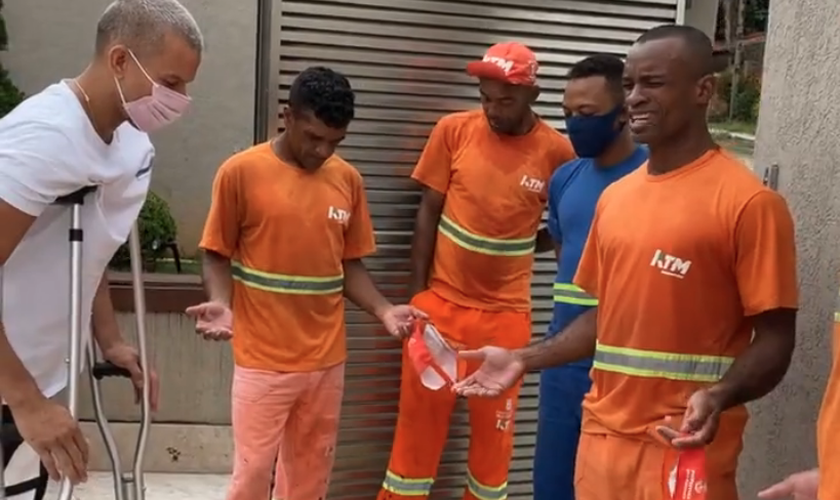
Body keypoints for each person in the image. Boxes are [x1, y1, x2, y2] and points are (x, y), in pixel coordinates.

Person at [454, 24, 798, 500]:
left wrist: (720, 395)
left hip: (681, 445)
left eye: (653, 83)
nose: (635, 97)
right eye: (631, 83)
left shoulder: (749, 204)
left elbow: (777, 338)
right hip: (601, 444)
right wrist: (521, 358)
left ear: (703, 91)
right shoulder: (615, 199)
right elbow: (605, 316)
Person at [186, 66, 426, 500]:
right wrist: (221, 302)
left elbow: (348, 264)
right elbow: (216, 253)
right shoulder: (240, 173)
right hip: (262, 361)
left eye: (335, 142)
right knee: (252, 475)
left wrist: (384, 309)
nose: (322, 151)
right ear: (287, 117)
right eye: (313, 137)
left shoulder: (347, 179)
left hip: (326, 363)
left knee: (310, 477)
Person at [0, 0, 201, 497]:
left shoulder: (131, 144)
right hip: (15, 387)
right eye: (170, 83)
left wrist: (109, 339)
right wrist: (25, 402)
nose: (179, 100)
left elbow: (90, 248)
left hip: (37, 376)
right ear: (119, 61)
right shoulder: (43, 138)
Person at [377, 42, 576, 500]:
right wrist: (416, 299)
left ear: (533, 95)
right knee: (415, 439)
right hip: (440, 311)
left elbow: (565, 227)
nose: (492, 109)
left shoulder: (557, 152)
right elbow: (427, 211)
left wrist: (531, 241)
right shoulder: (454, 131)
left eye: (505, 100)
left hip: (505, 320)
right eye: (485, 97)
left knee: (494, 447)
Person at [534, 54, 648, 500]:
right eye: (566, 113)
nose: (573, 125)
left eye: (586, 115)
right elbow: (570, 268)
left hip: (624, 369)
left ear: (623, 113)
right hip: (564, 365)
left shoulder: (652, 176)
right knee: (552, 486)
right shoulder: (564, 180)